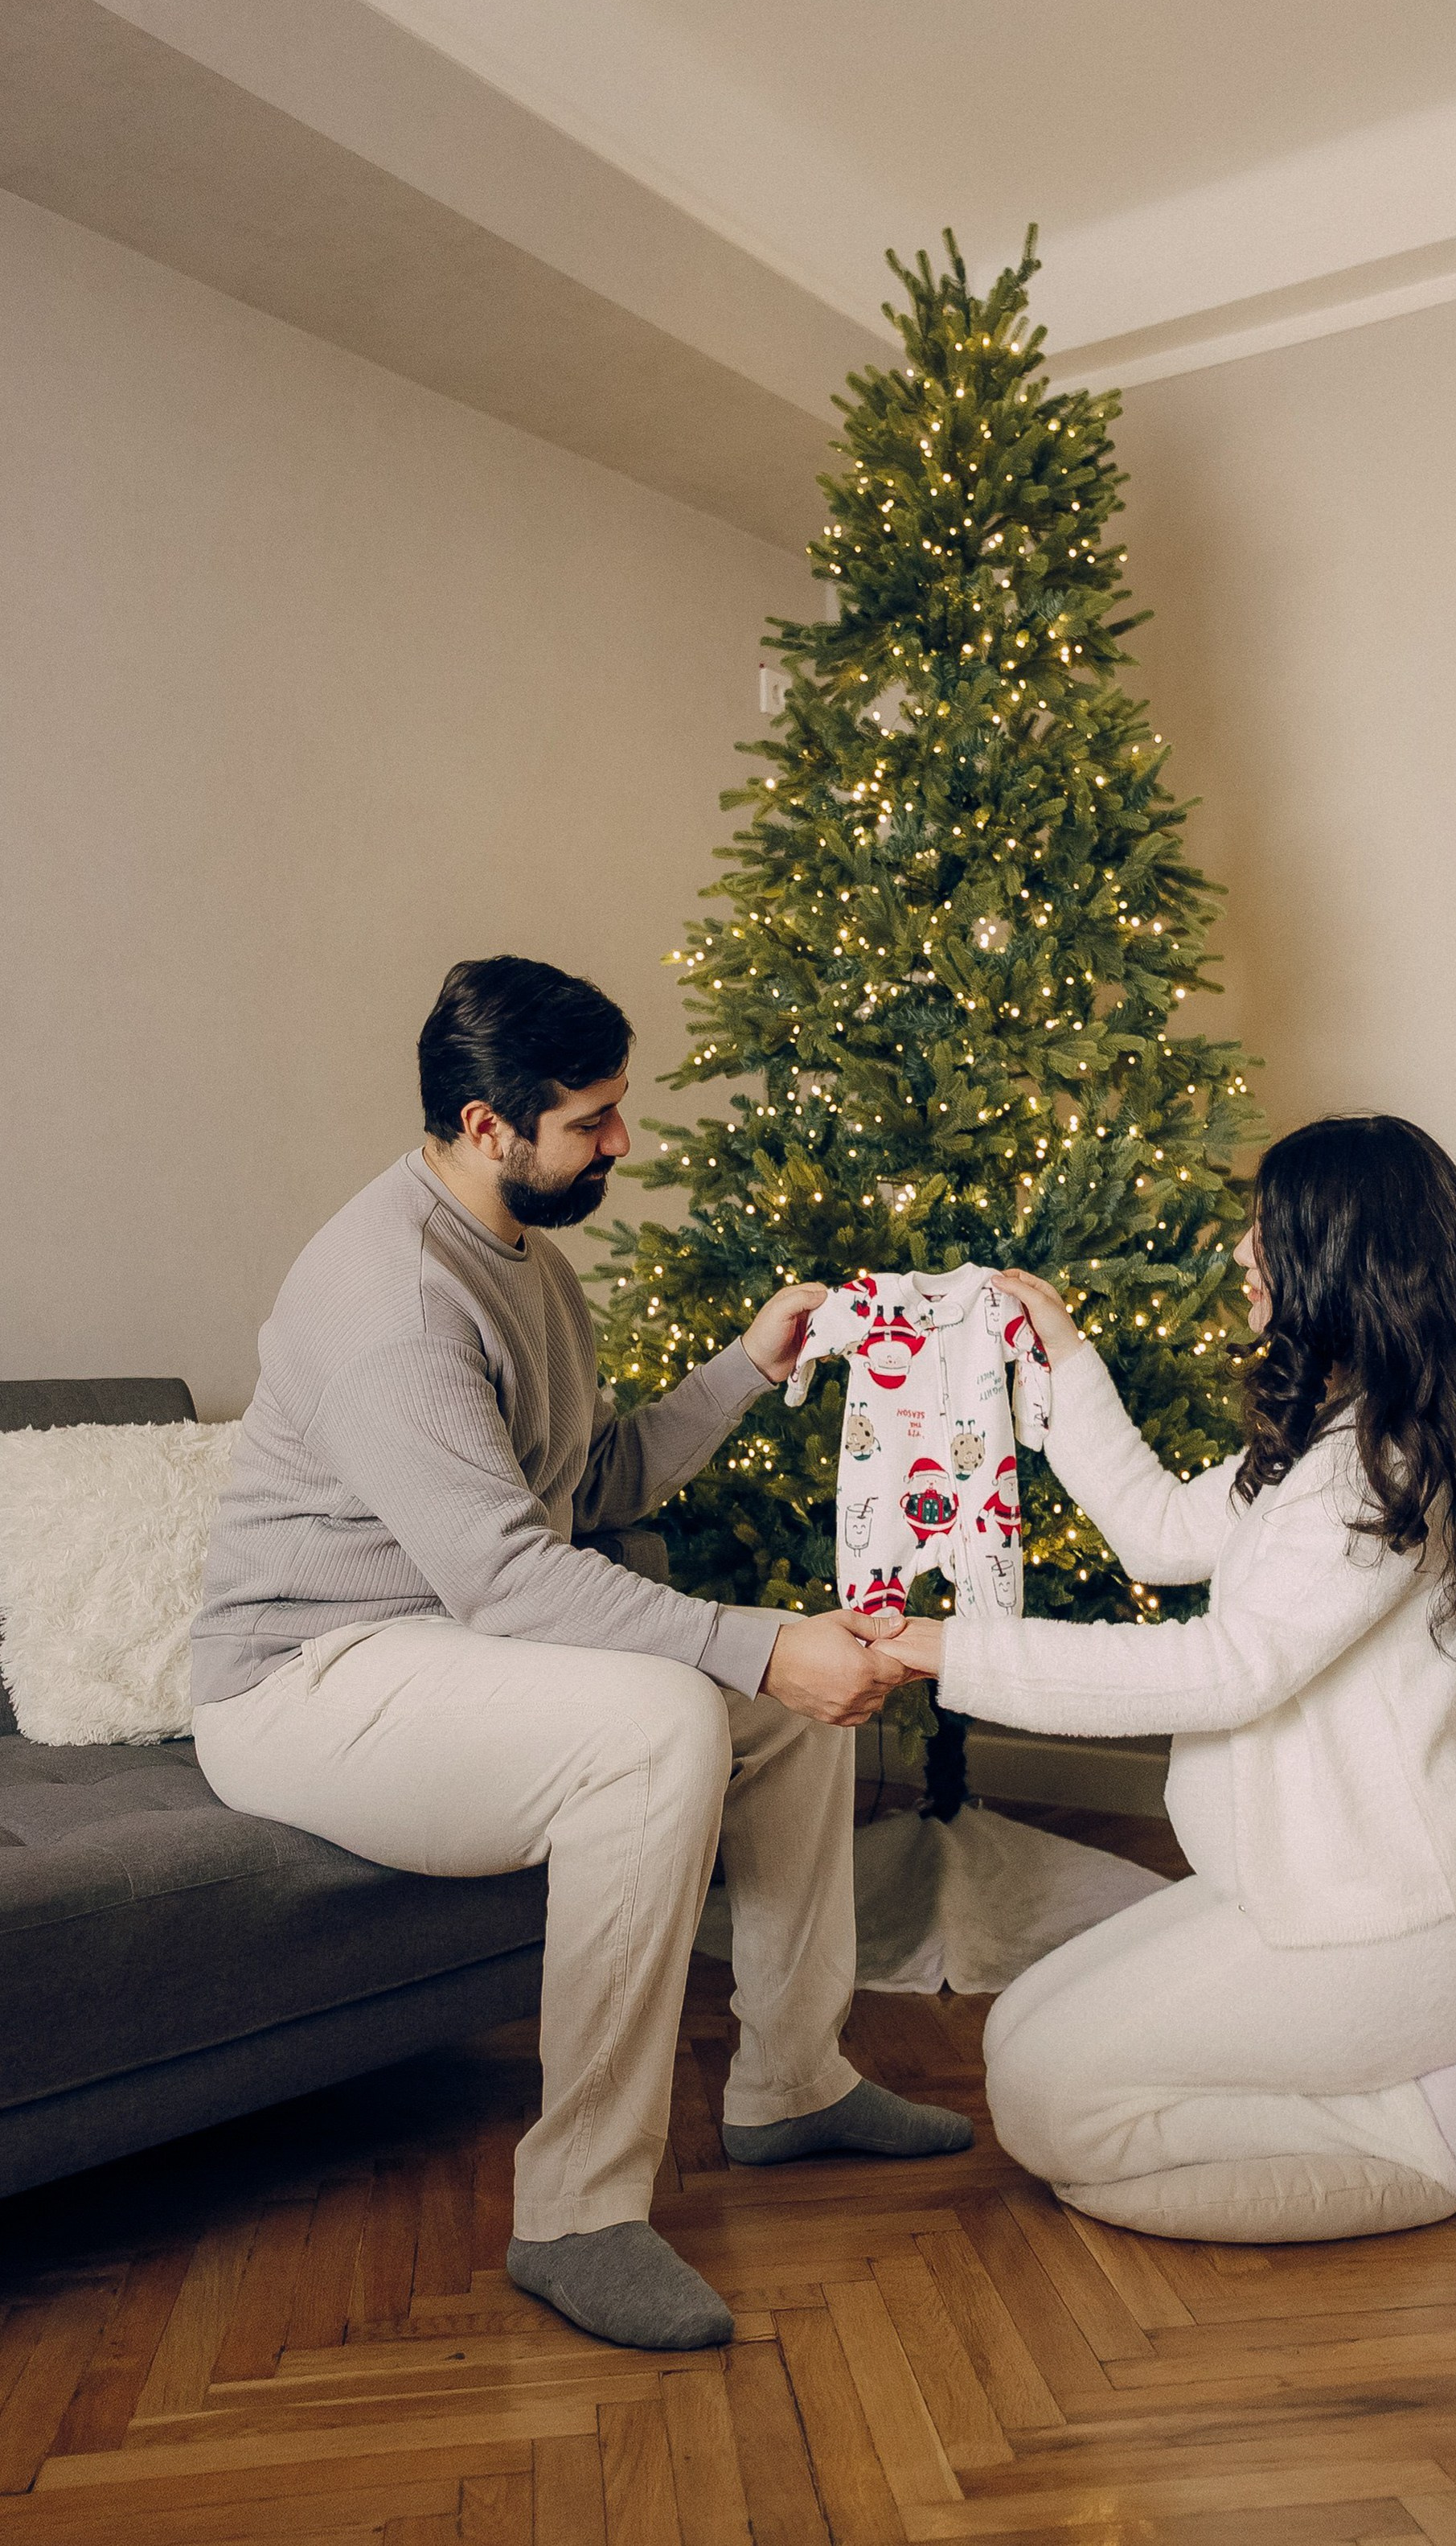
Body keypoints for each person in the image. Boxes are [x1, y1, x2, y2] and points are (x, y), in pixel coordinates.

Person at [191, 955, 970, 2353]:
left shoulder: (521, 1258)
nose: (621, 1139)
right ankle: (575, 2212)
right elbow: (503, 1575)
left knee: (781, 1714)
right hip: (306, 1680)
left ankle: (791, 2083)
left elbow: (589, 1477)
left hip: (440, 1642)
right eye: (592, 1118)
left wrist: (746, 1361)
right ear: (488, 1126)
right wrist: (760, 1644)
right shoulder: (393, 1301)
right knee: (667, 1719)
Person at [889, 1115, 1456, 2246]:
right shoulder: (1343, 1435)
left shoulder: (1379, 1464)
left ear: (1340, 1260)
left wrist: (945, 1648)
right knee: (1015, 2032)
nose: (1239, 1252)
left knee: (1047, 2110)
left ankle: (1432, 2142)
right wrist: (1067, 1354)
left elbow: (1225, 1670)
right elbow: (1155, 1533)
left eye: (1264, 1232)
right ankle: (1421, 2093)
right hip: (1298, 1899)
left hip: (1382, 1934)